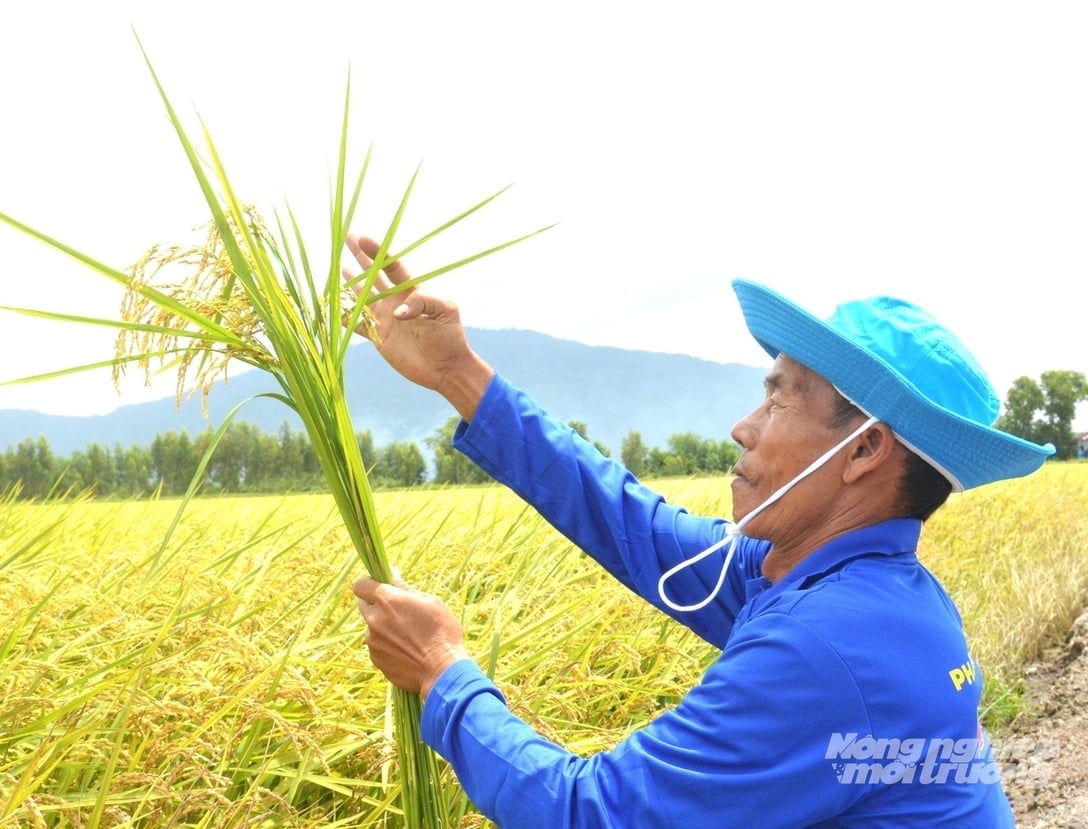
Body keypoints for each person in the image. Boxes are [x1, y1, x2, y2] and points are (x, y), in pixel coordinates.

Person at [346, 235, 1054, 827]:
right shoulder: (856, 585)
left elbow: (587, 814)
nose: (744, 426)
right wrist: (458, 374)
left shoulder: (828, 646)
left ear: (864, 450)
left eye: (779, 398)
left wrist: (443, 672)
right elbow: (636, 523)